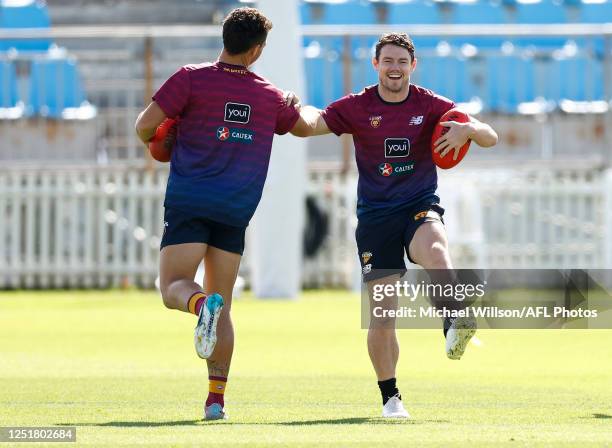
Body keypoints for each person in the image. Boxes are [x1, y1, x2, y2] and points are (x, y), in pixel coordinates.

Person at [289, 32, 498, 418]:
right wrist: (290, 110)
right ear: (376, 65)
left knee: (436, 248)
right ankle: (391, 398)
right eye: (388, 61)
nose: (395, 68)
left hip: (418, 205)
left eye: (402, 61)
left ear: (413, 66)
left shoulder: (432, 104)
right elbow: (311, 124)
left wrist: (468, 129)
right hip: (375, 217)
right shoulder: (357, 105)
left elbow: (490, 135)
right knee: (384, 313)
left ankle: (454, 318)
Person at [134, 7, 311, 421]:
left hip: (191, 201)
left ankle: (199, 307)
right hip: (235, 209)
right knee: (225, 305)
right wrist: (294, 102)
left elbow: (144, 126)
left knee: (174, 287)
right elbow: (302, 127)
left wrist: (161, 138)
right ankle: (216, 401)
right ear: (257, 50)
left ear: (225, 39)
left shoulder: (190, 77)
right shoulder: (270, 94)